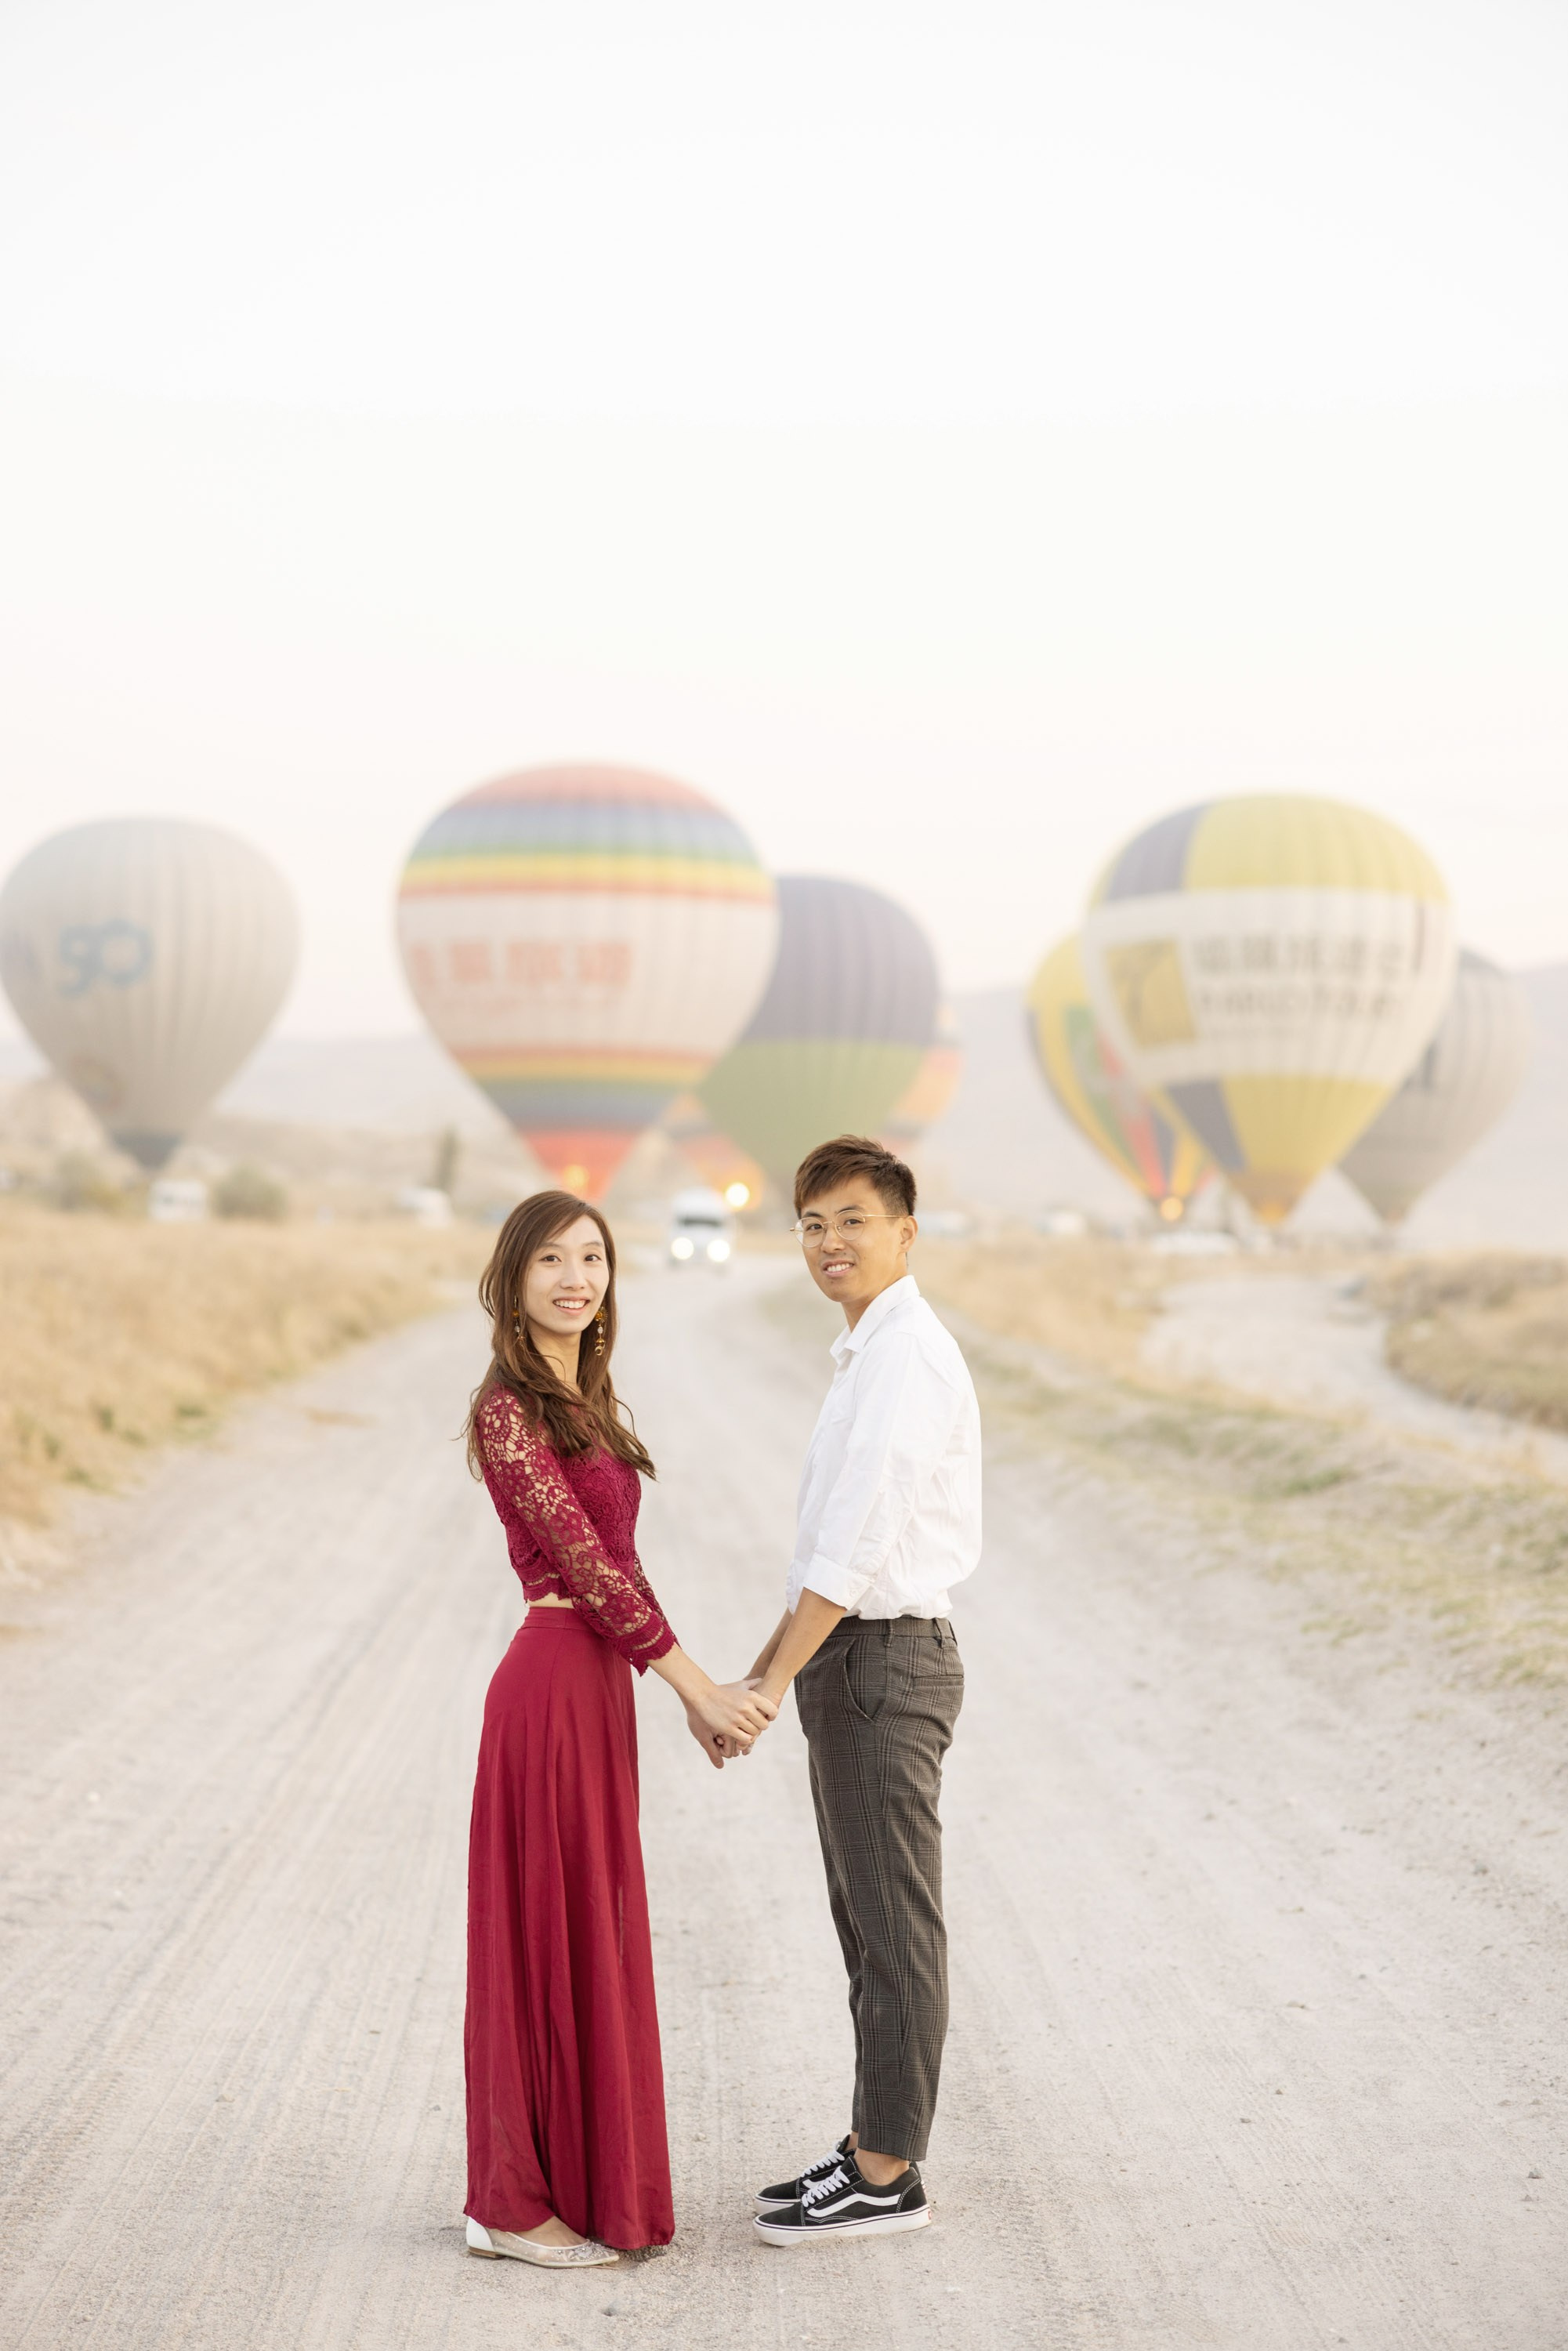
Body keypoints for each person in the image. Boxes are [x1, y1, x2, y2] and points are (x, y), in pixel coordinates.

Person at [462, 1189, 776, 2270]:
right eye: (548, 1258)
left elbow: (625, 1567)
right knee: (545, 1934)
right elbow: (585, 1569)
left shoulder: (584, 1400)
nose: (573, 1277)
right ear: (512, 1280)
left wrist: (675, 1695)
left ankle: (562, 2188)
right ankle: (510, 2205)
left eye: (591, 1257)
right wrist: (693, 1686)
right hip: (549, 1684)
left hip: (599, 1687)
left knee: (587, 1924)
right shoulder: (506, 1406)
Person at [744, 1135, 980, 2247]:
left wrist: (762, 1685)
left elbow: (856, 1547)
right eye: (811, 1224)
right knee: (864, 1915)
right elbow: (820, 1550)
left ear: (904, 1232)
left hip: (884, 1657)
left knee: (893, 1920)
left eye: (851, 1219)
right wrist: (765, 1672)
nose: (829, 1243)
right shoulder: (865, 1354)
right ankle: (869, 2142)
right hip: (855, 1656)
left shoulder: (905, 1358)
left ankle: (888, 2171)